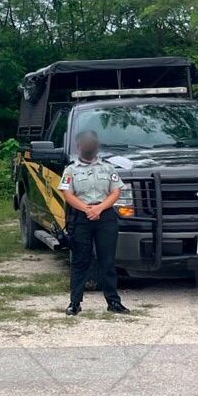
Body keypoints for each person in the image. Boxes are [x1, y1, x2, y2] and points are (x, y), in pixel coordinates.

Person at [59, 131, 128, 315]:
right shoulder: (71, 169)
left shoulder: (108, 168)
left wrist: (99, 209)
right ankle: (75, 303)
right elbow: (67, 194)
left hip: (105, 217)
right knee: (80, 261)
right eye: (85, 144)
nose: (89, 147)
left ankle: (113, 301)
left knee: (107, 261)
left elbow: (115, 192)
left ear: (97, 147)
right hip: (81, 217)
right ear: (78, 147)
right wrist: (87, 209)